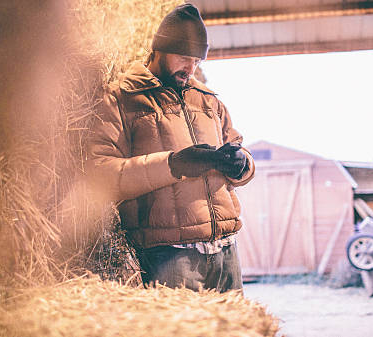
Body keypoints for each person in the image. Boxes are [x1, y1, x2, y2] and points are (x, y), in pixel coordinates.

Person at [87, 3, 254, 293]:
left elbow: (239, 149)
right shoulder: (121, 99)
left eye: (197, 61)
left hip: (226, 251)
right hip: (170, 256)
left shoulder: (208, 101)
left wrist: (243, 165)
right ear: (159, 50)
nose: (191, 69)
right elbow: (101, 174)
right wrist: (172, 165)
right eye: (183, 58)